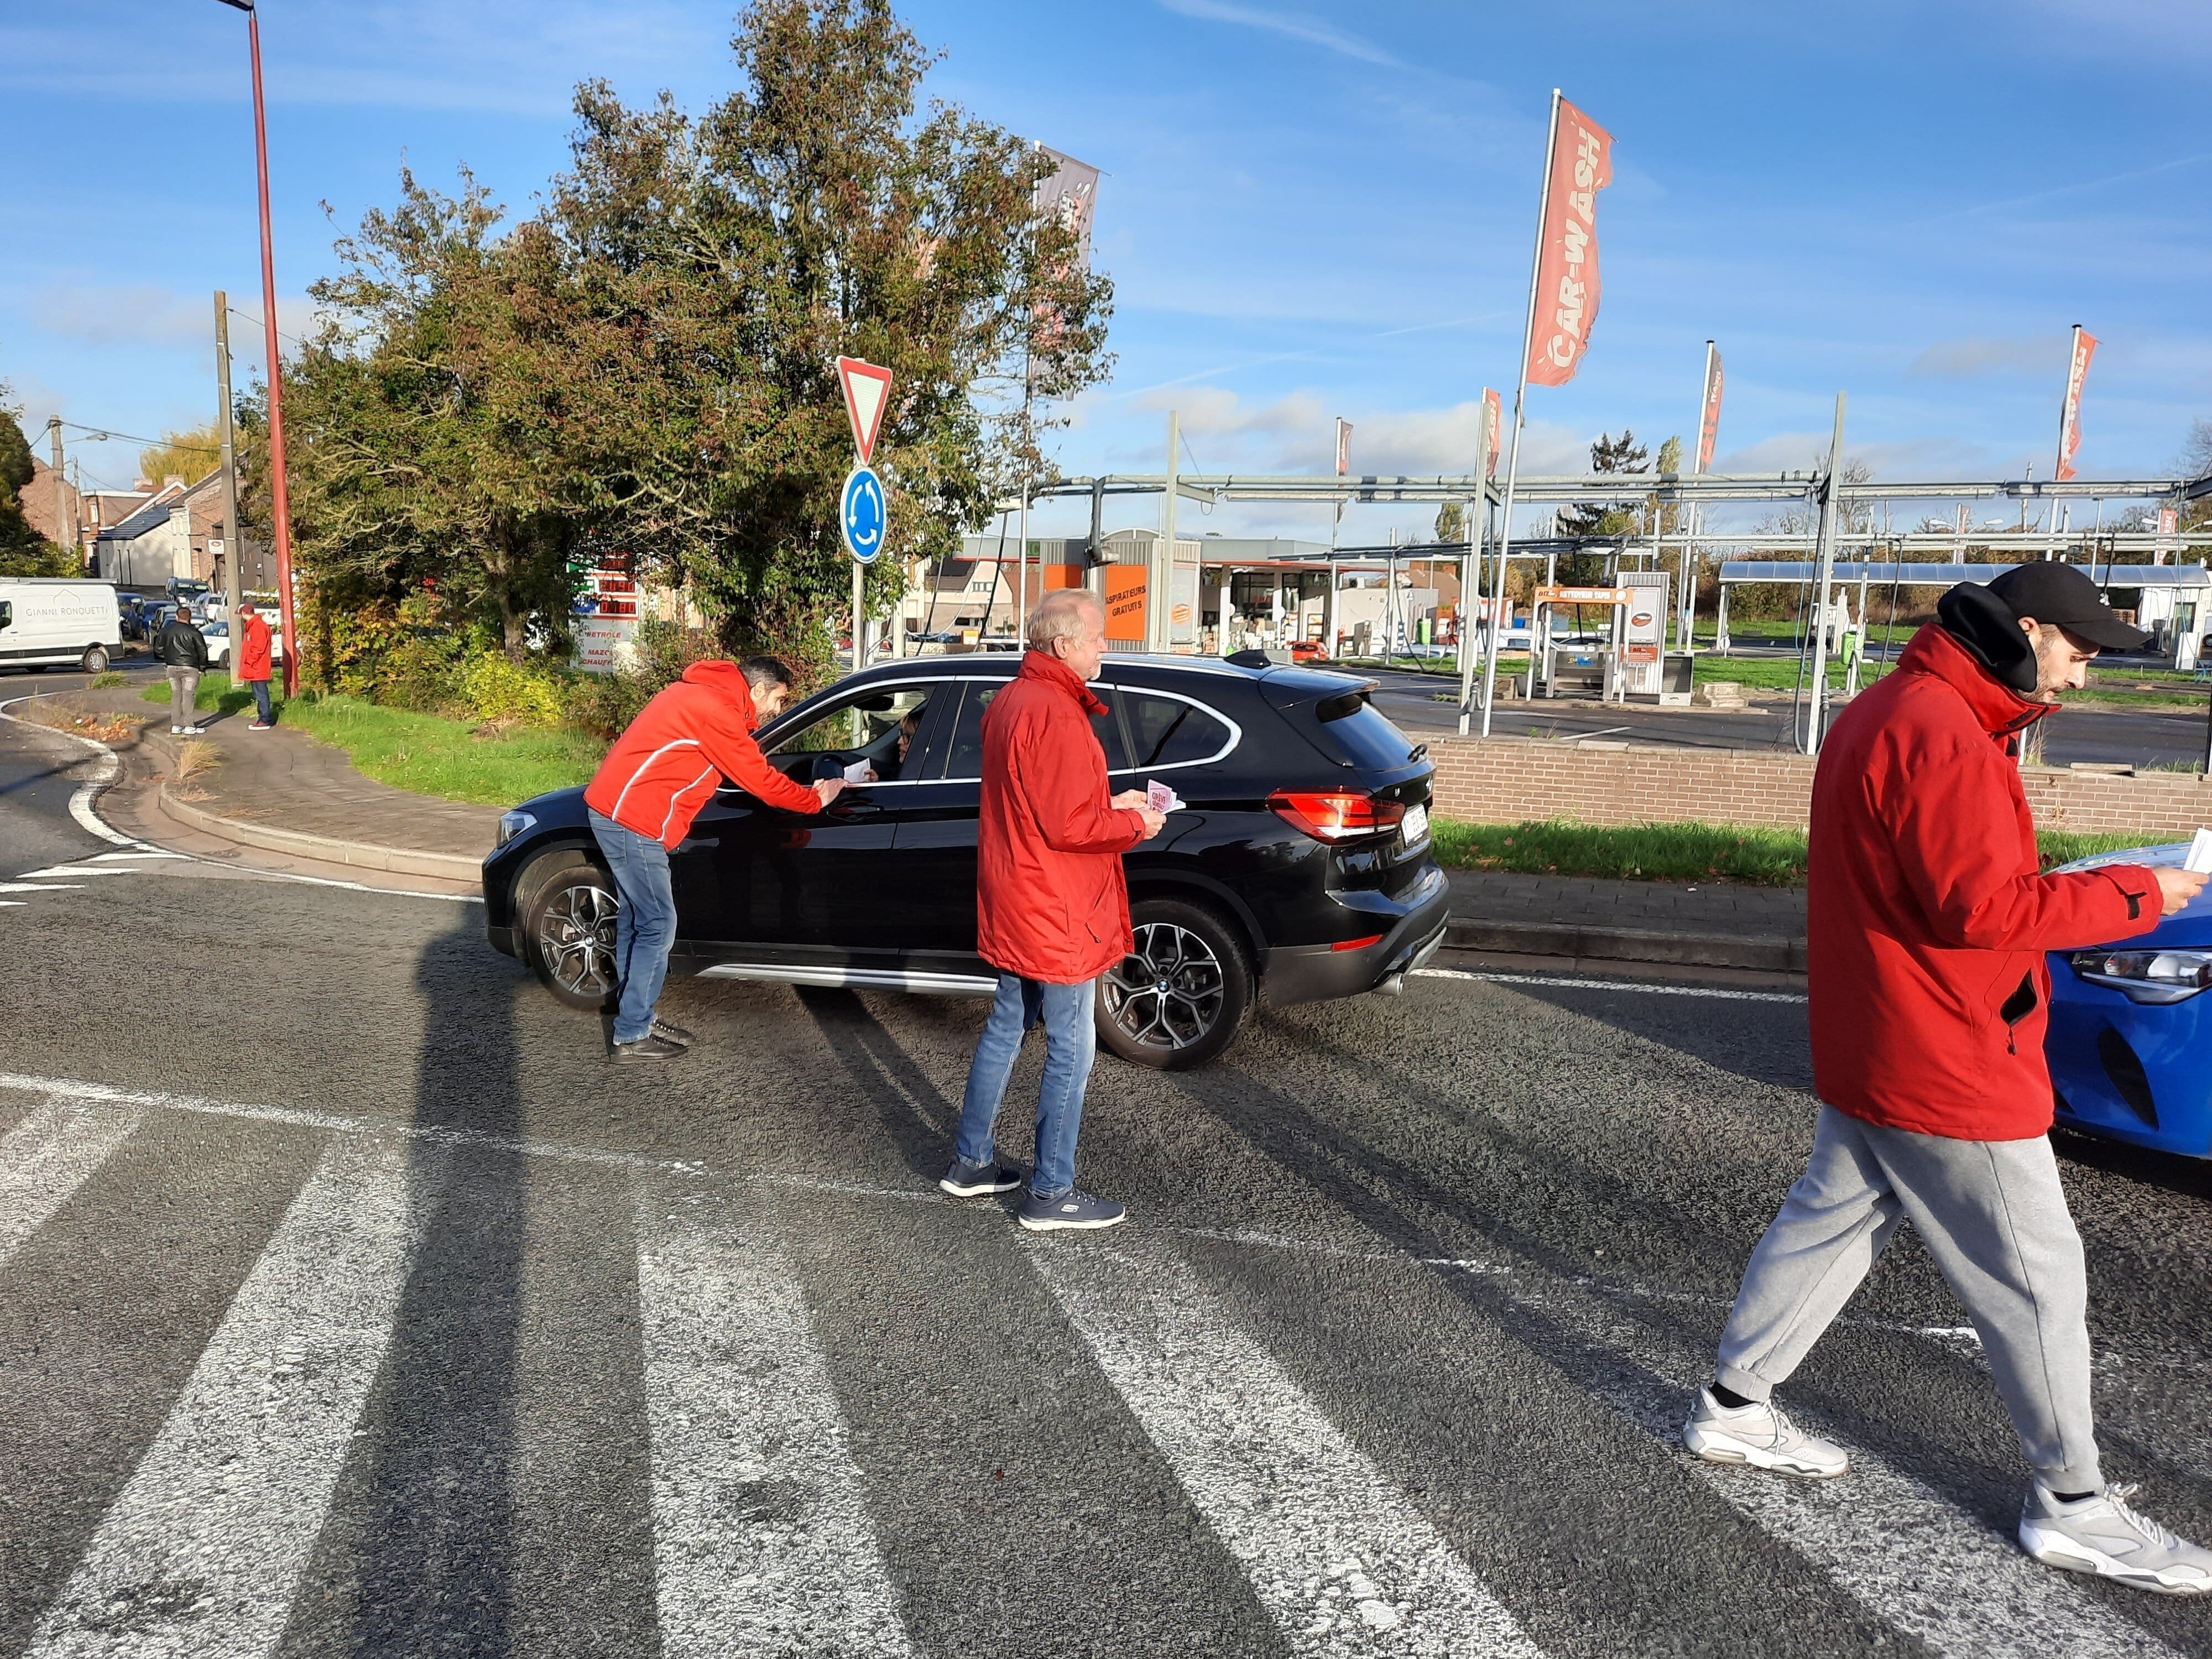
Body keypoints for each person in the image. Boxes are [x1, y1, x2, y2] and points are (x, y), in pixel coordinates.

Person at [1685, 562, 2212, 1595]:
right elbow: (1984, 912)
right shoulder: (1945, 732)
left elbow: (1947, 885)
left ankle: (1735, 1409)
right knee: (2037, 1277)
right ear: (2024, 631)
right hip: (1952, 1053)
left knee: (1831, 1223)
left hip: (1885, 1031)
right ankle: (2074, 1506)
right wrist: (2141, 891)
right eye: (2080, 649)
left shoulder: (1897, 706)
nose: (2087, 673)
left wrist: (2071, 884)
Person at [940, 588, 1166, 1230]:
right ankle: (1049, 1192)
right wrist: (1136, 824)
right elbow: (1070, 825)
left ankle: (972, 1162)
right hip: (1058, 905)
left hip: (1015, 893)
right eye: (1098, 638)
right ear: (1065, 646)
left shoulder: (1011, 700)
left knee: (1007, 1026)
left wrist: (1110, 801)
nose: (1105, 648)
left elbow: (1041, 802)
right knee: (1073, 1045)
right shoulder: (1060, 713)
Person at [582, 655, 843, 1061]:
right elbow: (759, 779)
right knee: (657, 923)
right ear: (757, 689)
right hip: (632, 820)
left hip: (621, 812)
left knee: (638, 921)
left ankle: (636, 1017)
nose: (778, 709)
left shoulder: (706, 696)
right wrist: (814, 799)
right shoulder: (716, 711)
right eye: (779, 699)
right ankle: (632, 1033)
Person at [156, 603, 210, 737]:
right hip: (190, 667)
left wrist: (168, 658)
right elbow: (203, 651)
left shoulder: (166, 631)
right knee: (188, 695)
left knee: (176, 694)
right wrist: (202, 667)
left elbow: (158, 649)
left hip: (172, 667)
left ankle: (176, 725)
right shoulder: (194, 632)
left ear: (176, 617)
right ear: (190, 618)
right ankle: (189, 725)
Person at [236, 601, 275, 730]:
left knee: (261, 693)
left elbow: (258, 648)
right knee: (259, 693)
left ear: (244, 613)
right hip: (255, 667)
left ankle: (265, 719)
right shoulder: (254, 626)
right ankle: (263, 718)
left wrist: (249, 661)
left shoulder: (258, 627)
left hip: (257, 667)